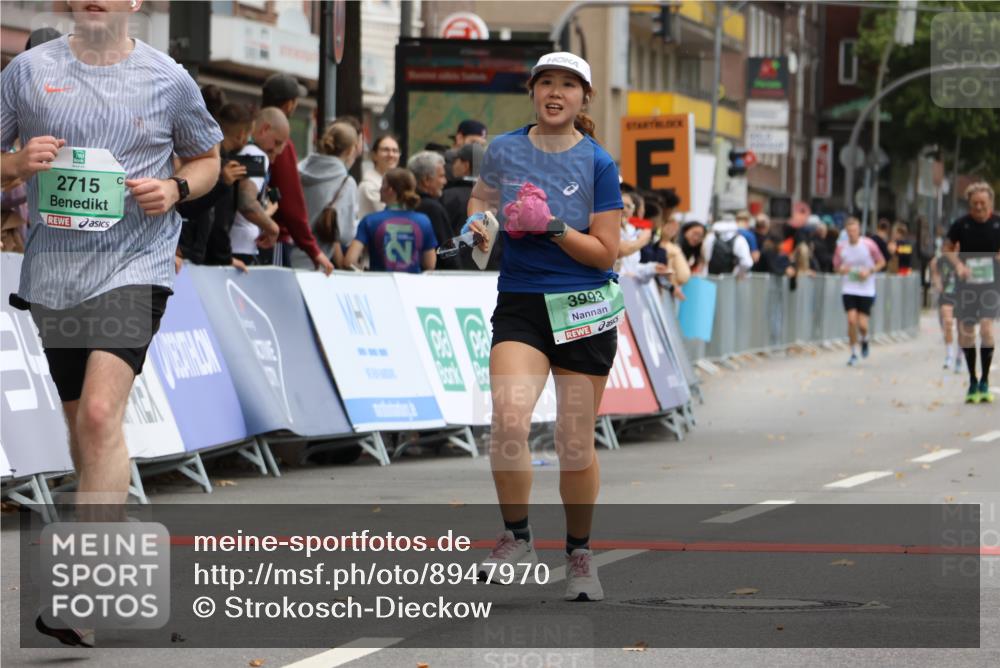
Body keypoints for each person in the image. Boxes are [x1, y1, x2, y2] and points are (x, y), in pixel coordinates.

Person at [1, 0, 223, 647]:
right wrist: (15, 165)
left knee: (100, 414)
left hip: (136, 262)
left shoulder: (168, 78)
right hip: (56, 273)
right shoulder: (27, 72)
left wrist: (177, 189)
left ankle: (85, 593)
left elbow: (208, 157)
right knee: (85, 429)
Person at [464, 52, 623, 602]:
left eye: (568, 86)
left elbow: (604, 252)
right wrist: (480, 228)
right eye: (546, 83)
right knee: (508, 420)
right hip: (523, 304)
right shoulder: (504, 149)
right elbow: (481, 200)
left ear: (584, 98)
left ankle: (580, 554)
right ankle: (519, 536)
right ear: (533, 91)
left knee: (574, 441)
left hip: (582, 309)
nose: (556, 93)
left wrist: (551, 226)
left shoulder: (599, 163)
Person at [260, 73, 334, 274]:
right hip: (271, 240)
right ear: (289, 104)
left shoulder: (256, 134)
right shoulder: (282, 144)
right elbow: (291, 201)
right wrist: (313, 249)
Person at [943, 182, 1000, 404]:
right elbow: (947, 249)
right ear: (969, 204)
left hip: (991, 285)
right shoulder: (961, 224)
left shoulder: (997, 224)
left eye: (982, 203)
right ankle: (973, 379)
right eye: (974, 203)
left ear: (990, 203)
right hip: (967, 285)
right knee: (966, 333)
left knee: (986, 329)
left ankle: (985, 379)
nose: (978, 207)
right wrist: (958, 265)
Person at [292, 121, 359, 269]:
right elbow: (345, 235)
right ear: (350, 150)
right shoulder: (346, 182)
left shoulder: (297, 170)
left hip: (285, 252)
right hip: (316, 260)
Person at [344, 167, 436, 273]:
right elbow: (430, 264)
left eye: (382, 184)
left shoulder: (369, 220)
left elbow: (349, 261)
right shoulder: (424, 221)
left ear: (390, 189)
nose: (379, 189)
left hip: (380, 284)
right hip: (412, 286)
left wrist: (365, 274)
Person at [228, 108, 285, 265]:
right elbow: (246, 202)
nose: (277, 151)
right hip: (241, 248)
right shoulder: (255, 155)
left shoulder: (240, 151)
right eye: (277, 142)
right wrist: (273, 228)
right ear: (265, 129)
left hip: (230, 244)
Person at [833, 217, 886, 366]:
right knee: (851, 320)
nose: (852, 233)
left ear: (859, 231)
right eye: (849, 231)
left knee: (862, 324)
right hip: (849, 288)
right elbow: (836, 266)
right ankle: (853, 353)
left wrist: (869, 271)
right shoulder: (841, 248)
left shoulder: (869, 245)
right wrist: (841, 270)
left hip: (866, 289)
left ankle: (864, 339)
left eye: (854, 230)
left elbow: (881, 262)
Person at [407, 150, 455, 269]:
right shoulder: (432, 208)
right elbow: (448, 251)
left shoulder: (407, 205)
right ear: (426, 181)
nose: (445, 181)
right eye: (441, 176)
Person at [930, 252, 962, 373]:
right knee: (947, 323)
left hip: (963, 296)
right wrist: (937, 282)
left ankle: (959, 356)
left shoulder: (965, 257)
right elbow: (936, 274)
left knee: (962, 329)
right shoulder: (941, 259)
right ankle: (949, 355)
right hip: (947, 295)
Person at [357, 134, 400, 219]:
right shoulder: (369, 186)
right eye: (385, 150)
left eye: (395, 151)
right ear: (374, 155)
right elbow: (392, 217)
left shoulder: (392, 182)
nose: (391, 155)